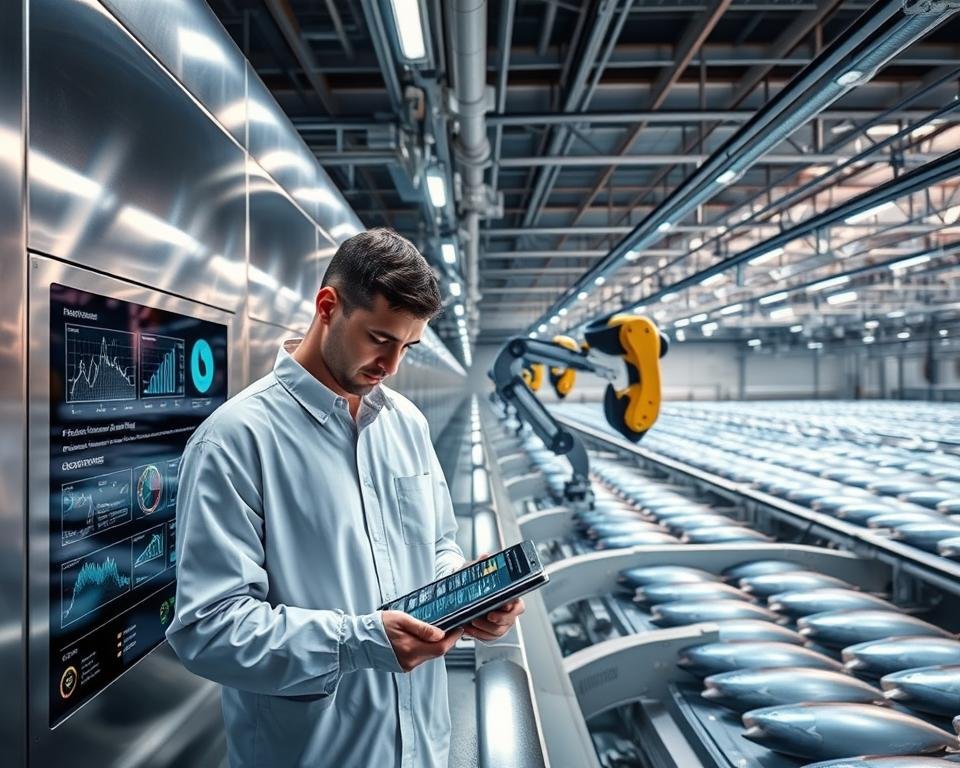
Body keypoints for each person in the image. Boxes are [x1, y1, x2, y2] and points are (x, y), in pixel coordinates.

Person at [166, 228, 524, 768]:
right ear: (328, 307)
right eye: (380, 338)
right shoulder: (235, 440)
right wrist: (357, 641)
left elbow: (438, 542)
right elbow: (208, 628)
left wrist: (465, 596)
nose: (393, 365)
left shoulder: (406, 423)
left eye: (408, 346)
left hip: (422, 749)